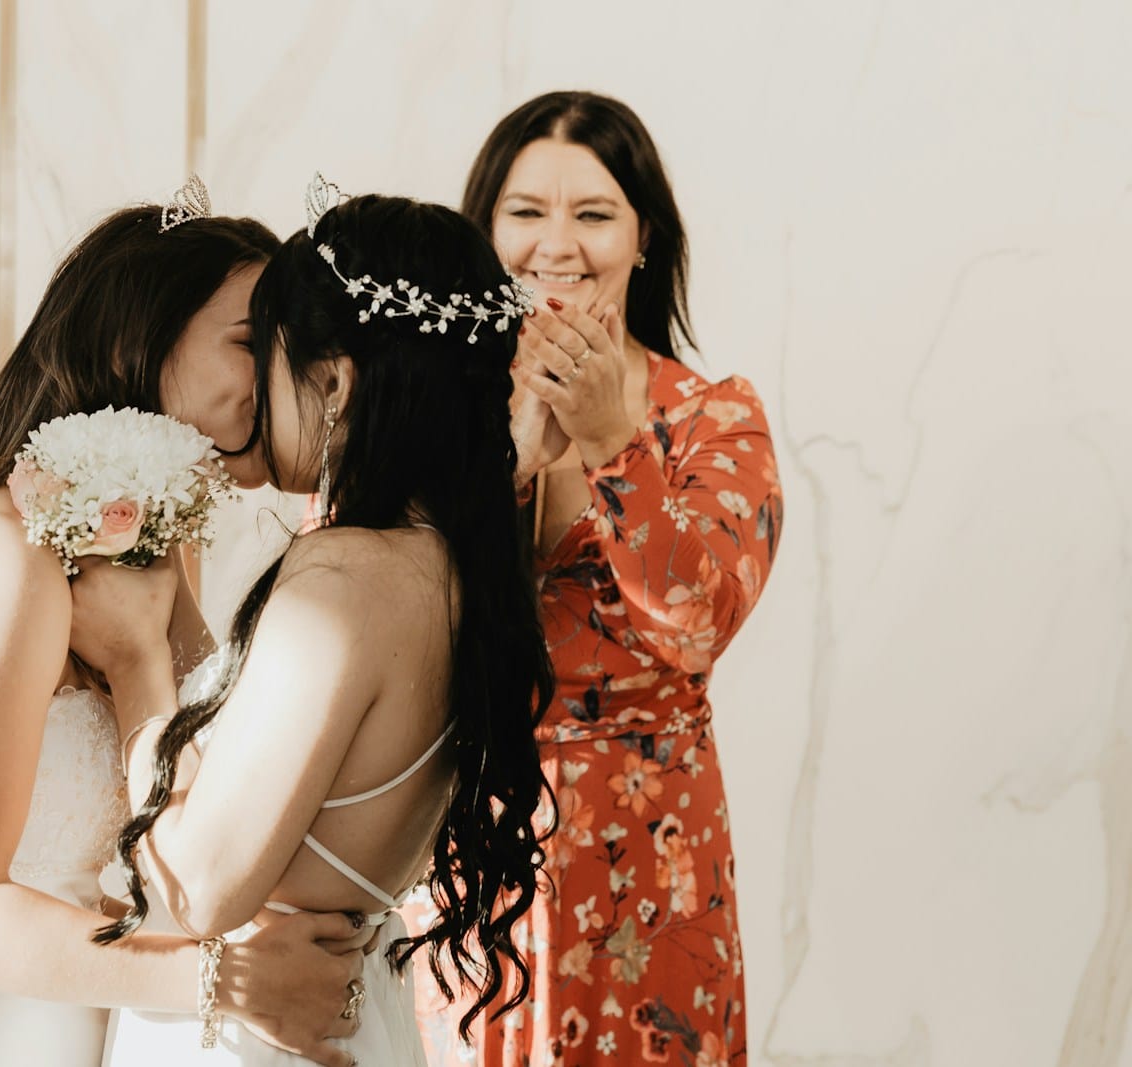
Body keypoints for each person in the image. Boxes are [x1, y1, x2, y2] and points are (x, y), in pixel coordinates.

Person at [0, 187, 368, 1067]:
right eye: (245, 342)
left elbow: (193, 815)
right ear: (131, 338)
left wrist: (145, 643)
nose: (273, 377)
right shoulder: (3, 562)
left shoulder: (148, 559)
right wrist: (221, 978)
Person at [68, 190, 556, 1065]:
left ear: (334, 380)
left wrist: (135, 657)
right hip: (347, 1021)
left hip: (248, 1039)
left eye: (268, 353)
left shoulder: (342, 583)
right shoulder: (446, 568)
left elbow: (204, 887)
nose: (255, 391)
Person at [406, 92, 785, 1066]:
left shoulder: (713, 418)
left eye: (593, 212)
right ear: (484, 229)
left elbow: (698, 620)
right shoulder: (424, 415)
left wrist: (616, 440)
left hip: (648, 846)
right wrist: (512, 463)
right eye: (525, 211)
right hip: (462, 827)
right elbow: (370, 600)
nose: (555, 244)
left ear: (644, 234)